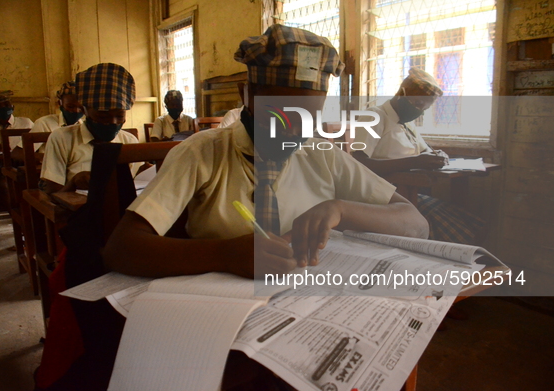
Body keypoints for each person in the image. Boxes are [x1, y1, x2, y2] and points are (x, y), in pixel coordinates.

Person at [103, 24, 428, 281]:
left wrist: (339, 209)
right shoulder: (202, 153)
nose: (294, 127)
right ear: (248, 95)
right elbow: (121, 248)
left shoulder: (320, 154)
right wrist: (225, 255)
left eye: (308, 114)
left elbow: (415, 224)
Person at [351, 67, 485, 244]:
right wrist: (415, 161)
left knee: (467, 220)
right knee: (452, 225)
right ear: (402, 94)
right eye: (418, 104)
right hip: (384, 194)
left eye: (426, 107)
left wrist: (437, 156)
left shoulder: (406, 123)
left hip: (409, 192)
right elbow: (359, 162)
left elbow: (425, 151)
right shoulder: (375, 116)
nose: (420, 111)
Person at [39, 63, 140, 194]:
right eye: (102, 116)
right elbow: (53, 194)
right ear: (84, 110)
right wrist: (73, 182)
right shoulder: (62, 138)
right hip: (78, 210)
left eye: (120, 116)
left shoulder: (129, 141)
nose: (112, 122)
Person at [11, 81, 84, 161]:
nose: (76, 111)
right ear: (60, 104)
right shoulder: (45, 123)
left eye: (80, 107)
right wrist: (48, 159)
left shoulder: (86, 124)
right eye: (70, 106)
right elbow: (17, 153)